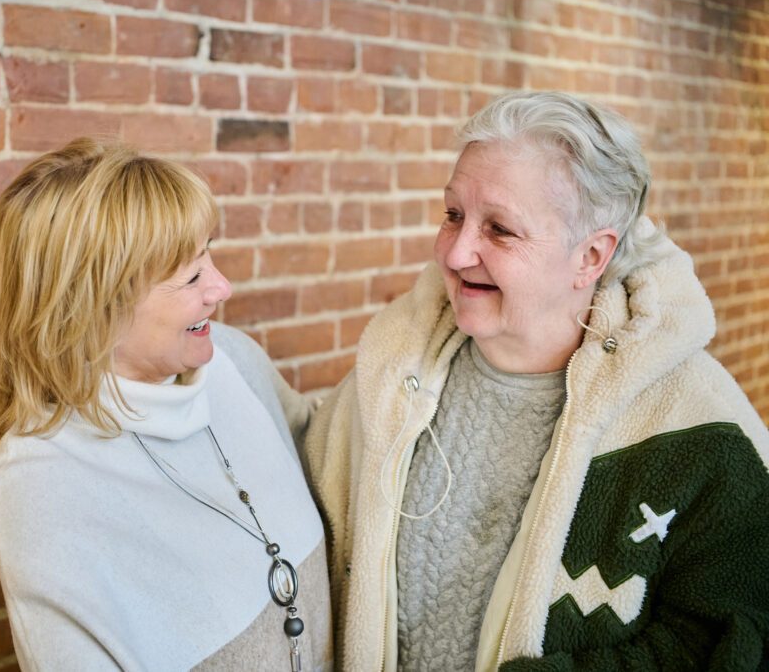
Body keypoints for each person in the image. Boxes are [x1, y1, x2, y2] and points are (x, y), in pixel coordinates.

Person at [304, 91, 769, 671]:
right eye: (453, 214)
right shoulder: (391, 375)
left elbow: (730, 639)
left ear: (591, 256)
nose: (456, 253)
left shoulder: (699, 426)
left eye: (500, 229)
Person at [0, 138, 332, 671]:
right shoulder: (42, 479)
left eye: (209, 254)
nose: (222, 287)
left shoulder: (232, 359)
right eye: (191, 276)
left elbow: (333, 453)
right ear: (93, 306)